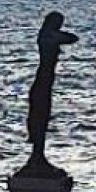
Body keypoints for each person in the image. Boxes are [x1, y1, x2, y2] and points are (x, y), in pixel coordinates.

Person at [26, 11, 78, 166]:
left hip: (46, 83)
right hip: (42, 83)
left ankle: (39, 154)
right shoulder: (47, 36)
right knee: (39, 117)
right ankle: (36, 154)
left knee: (43, 118)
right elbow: (71, 38)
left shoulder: (48, 35)